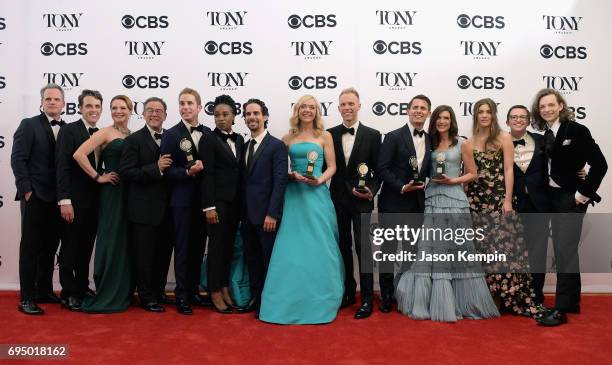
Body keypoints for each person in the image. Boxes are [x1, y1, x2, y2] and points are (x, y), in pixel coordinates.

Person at [395, 105, 499, 322]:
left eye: (446, 118)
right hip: (432, 200)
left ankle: (459, 302)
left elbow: (473, 174)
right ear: (434, 121)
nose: (442, 121)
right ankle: (427, 302)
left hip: (455, 202)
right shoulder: (429, 143)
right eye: (439, 118)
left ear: (452, 121)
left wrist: (453, 181)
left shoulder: (463, 143)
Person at [259, 95, 344, 324]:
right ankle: (285, 299)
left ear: (317, 111)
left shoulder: (325, 136)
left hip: (316, 195)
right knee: (291, 247)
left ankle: (321, 298)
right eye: (304, 107)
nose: (308, 110)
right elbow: (279, 168)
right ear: (297, 111)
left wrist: (319, 180)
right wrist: (290, 175)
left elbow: (333, 166)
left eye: (312, 107)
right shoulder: (287, 138)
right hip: (294, 195)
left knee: (319, 245)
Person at [531, 89, 607, 326]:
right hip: (551, 197)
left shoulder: (576, 130)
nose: (546, 109)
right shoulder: (545, 134)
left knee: (565, 250)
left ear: (561, 106)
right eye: (542, 106)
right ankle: (571, 302)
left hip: (570, 199)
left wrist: (581, 195)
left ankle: (561, 310)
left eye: (551, 105)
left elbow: (600, 164)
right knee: (566, 251)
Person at [466, 98, 543, 318]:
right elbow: (470, 175)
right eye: (480, 111)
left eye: (488, 111)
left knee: (503, 250)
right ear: (475, 115)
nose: (484, 115)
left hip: (499, 200)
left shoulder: (504, 138)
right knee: (483, 251)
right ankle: (486, 297)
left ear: (494, 115)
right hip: (476, 201)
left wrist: (507, 200)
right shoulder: (469, 142)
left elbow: (509, 169)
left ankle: (505, 296)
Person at [71, 95, 132, 313]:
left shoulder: (133, 135)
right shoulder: (104, 132)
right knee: (111, 239)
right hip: (111, 192)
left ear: (130, 110)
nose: (118, 111)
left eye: (122, 108)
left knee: (124, 241)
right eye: (114, 108)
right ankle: (107, 291)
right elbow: (79, 154)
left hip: (129, 194)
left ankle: (123, 290)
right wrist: (98, 177)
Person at [11, 83, 65, 314]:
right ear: (42, 102)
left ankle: (43, 290)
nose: (52, 102)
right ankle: (26, 297)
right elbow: (18, 159)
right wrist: (26, 190)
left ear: (63, 104)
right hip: (35, 196)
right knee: (31, 247)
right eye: (48, 98)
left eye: (56, 99)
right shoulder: (29, 125)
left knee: (50, 246)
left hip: (58, 198)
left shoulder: (67, 128)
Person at [328, 88, 381, 319]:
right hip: (337, 200)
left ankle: (367, 298)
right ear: (338, 108)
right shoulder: (328, 134)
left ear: (359, 106)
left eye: (351, 103)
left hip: (362, 200)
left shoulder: (373, 134)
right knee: (342, 248)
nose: (347, 107)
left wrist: (372, 190)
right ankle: (348, 293)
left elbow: (379, 170)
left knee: (364, 249)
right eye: (343, 104)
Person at [377, 94, 432, 313]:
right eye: (415, 107)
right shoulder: (393, 136)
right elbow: (382, 168)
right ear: (407, 111)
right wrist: (402, 186)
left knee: (410, 253)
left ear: (428, 113)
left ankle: (404, 292)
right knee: (389, 253)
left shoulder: (430, 140)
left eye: (423, 108)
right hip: (392, 203)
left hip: (417, 205)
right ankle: (386, 295)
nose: (419, 111)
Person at [119, 97, 174, 313]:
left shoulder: (172, 137)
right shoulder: (133, 140)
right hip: (142, 210)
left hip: (168, 209)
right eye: (150, 110)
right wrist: (156, 168)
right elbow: (126, 172)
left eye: (159, 110)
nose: (154, 114)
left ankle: (159, 291)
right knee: (143, 255)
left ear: (165, 115)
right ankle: (146, 296)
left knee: (162, 253)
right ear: (143, 114)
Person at [160, 88, 210, 315]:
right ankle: (181, 296)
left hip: (204, 202)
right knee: (182, 248)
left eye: (190, 103)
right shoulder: (170, 134)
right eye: (182, 103)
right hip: (181, 202)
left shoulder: (208, 133)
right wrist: (186, 174)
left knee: (199, 247)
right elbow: (166, 171)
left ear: (199, 107)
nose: (185, 107)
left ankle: (193, 291)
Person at [240, 98, 288, 317]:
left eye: (256, 113)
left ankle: (270, 302)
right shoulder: (244, 145)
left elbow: (280, 182)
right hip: (247, 215)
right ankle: (256, 299)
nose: (252, 117)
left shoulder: (277, 146)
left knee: (269, 260)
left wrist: (272, 213)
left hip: (266, 216)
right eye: (248, 114)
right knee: (252, 259)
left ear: (265, 117)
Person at [55, 89, 103, 311]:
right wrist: (65, 200)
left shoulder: (101, 133)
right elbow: (62, 167)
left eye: (97, 106)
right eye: (89, 106)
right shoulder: (69, 131)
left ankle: (82, 286)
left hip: (94, 202)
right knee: (70, 247)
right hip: (73, 201)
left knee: (86, 247)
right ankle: (68, 291)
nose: (93, 110)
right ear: (80, 108)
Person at [200, 95, 245, 314]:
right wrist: (208, 206)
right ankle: (214, 291)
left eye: (225, 114)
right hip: (217, 204)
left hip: (235, 204)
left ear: (234, 116)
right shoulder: (208, 139)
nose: (220, 118)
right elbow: (206, 174)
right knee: (216, 249)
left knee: (228, 248)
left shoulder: (239, 140)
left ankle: (225, 287)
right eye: (216, 115)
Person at [506, 105, 552, 305]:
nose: (518, 120)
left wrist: (579, 172)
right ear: (507, 121)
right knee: (511, 252)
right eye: (514, 117)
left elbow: (561, 162)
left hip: (539, 205)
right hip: (511, 205)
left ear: (528, 120)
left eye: (522, 117)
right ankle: (512, 297)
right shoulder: (499, 143)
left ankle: (535, 297)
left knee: (537, 252)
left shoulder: (542, 140)